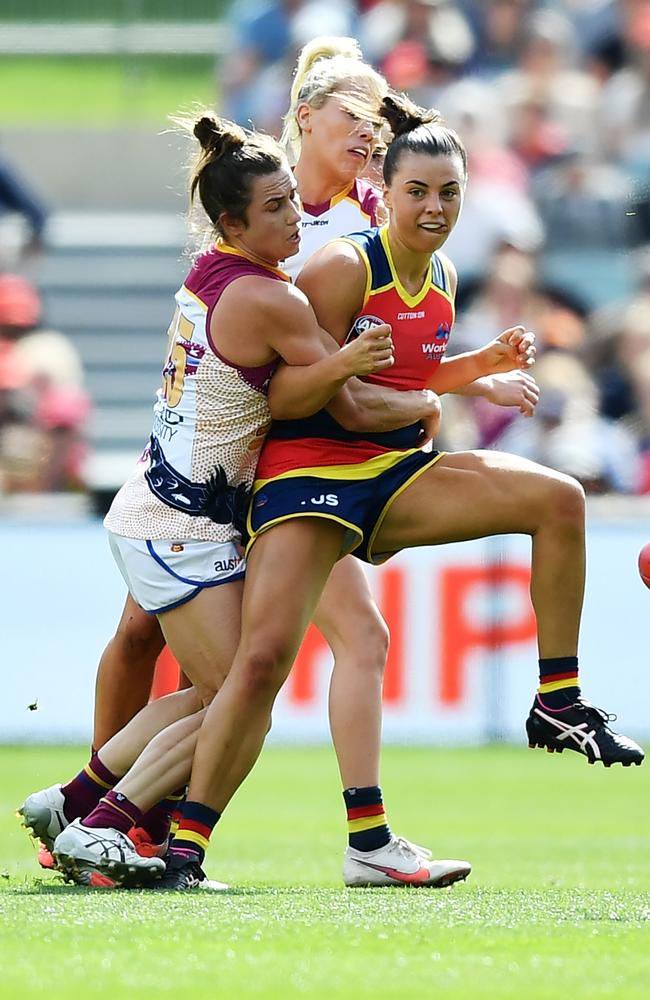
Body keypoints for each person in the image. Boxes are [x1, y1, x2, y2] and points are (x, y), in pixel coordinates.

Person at [50, 93, 626, 895]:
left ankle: (552, 703)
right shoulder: (318, 275)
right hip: (280, 486)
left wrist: (472, 372)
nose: (435, 206)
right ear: (382, 191)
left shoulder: (410, 275)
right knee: (242, 675)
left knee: (552, 502)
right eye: (417, 189)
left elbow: (390, 378)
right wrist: (435, 402)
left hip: (308, 481)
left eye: (450, 192)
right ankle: (122, 825)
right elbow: (306, 396)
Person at [20, 103, 456, 889]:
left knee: (219, 684)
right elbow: (338, 401)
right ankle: (103, 825)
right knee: (238, 689)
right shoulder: (274, 299)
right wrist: (398, 388)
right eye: (277, 208)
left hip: (164, 508)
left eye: (294, 199)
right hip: (180, 521)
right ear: (231, 220)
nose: (295, 218)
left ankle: (74, 800)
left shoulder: (214, 272)